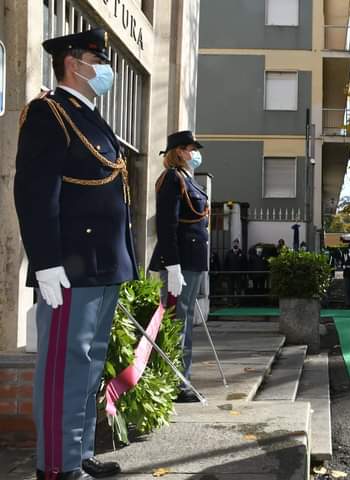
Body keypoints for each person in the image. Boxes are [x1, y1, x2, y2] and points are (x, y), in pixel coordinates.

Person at [14, 28, 135, 480]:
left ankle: (78, 454)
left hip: (102, 263)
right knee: (64, 369)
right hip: (69, 267)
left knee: (87, 365)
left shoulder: (88, 116)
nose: (104, 70)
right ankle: (56, 467)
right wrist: (45, 262)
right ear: (72, 63)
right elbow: (33, 192)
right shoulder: (49, 113)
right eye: (96, 60)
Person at [148, 130, 209, 404]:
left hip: (191, 262)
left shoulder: (187, 179)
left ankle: (181, 378)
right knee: (177, 323)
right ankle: (175, 382)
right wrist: (172, 265)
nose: (194, 153)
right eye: (189, 148)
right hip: (180, 262)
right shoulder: (172, 179)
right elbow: (166, 224)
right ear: (178, 152)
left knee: (183, 321)